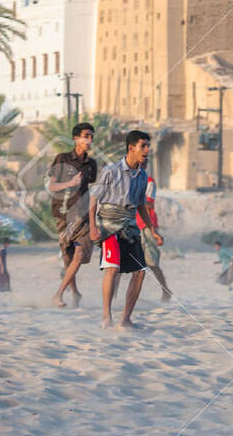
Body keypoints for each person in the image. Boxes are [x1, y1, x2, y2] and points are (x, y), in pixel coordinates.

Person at [92, 130, 161, 329]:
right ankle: (106, 317)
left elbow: (141, 206)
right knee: (112, 269)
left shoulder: (143, 176)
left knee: (140, 271)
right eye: (143, 146)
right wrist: (93, 227)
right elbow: (94, 198)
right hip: (109, 226)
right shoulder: (111, 171)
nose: (147, 150)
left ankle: (126, 318)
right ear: (131, 148)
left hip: (130, 227)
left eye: (148, 146)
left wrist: (152, 230)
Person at [49, 122, 99, 308]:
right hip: (62, 213)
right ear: (75, 138)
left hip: (83, 214)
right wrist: (69, 183)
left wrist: (95, 219)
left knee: (79, 253)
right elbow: (52, 186)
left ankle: (58, 294)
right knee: (68, 257)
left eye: (92, 136)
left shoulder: (91, 164)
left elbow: (93, 191)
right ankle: (76, 293)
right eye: (86, 135)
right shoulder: (61, 159)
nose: (90, 140)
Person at [135, 161, 171, 302]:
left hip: (147, 225)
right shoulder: (130, 180)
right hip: (133, 224)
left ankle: (166, 290)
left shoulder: (149, 182)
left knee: (152, 263)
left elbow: (149, 203)